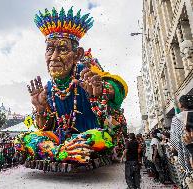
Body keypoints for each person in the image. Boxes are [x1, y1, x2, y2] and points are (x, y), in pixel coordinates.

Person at [15, 7, 128, 164]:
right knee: (21, 140)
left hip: (90, 135)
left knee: (97, 138)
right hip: (61, 141)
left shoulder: (87, 75)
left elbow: (117, 87)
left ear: (77, 55)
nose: (54, 57)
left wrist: (102, 90)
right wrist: (40, 109)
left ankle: (62, 150)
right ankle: (60, 152)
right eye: (49, 49)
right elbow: (45, 127)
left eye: (62, 49)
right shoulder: (48, 89)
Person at [170, 95, 193, 189]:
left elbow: (174, 141)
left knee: (189, 180)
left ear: (181, 105)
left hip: (186, 155)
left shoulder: (176, 119)